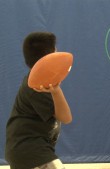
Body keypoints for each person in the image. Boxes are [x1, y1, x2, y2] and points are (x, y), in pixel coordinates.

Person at [5, 32, 72, 169]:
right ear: (49, 58)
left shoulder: (40, 82)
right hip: (29, 151)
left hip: (22, 152)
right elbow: (66, 117)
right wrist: (57, 91)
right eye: (55, 50)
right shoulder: (38, 88)